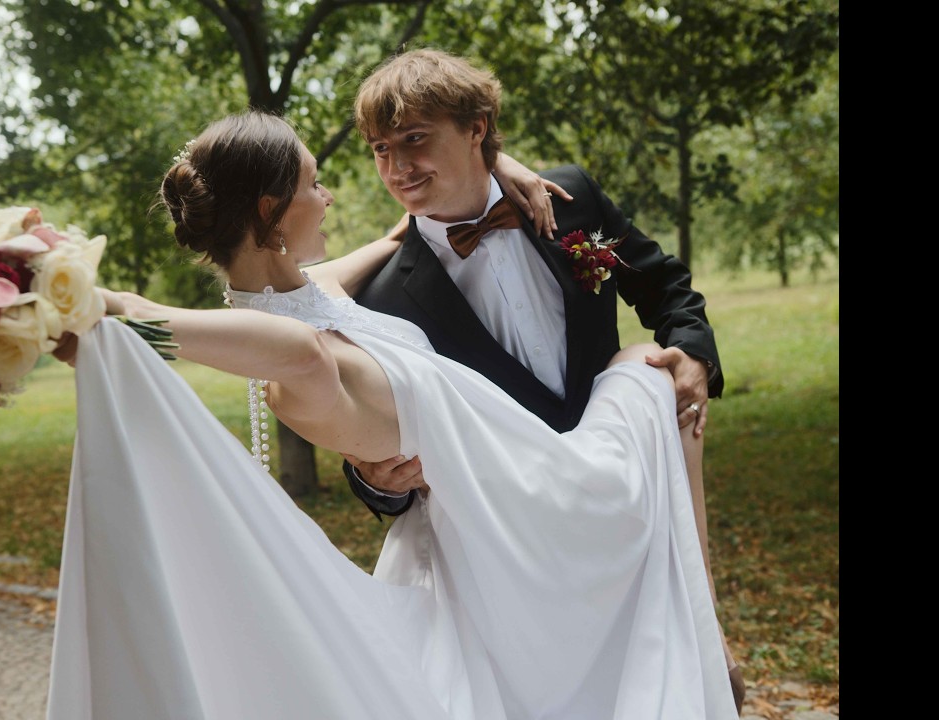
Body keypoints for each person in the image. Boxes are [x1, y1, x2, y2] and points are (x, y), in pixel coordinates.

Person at [45, 111, 738, 719]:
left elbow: (401, 230)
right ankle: (703, 629)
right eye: (315, 184)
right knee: (648, 371)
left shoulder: (318, 291)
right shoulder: (297, 367)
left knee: (657, 371)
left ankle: (704, 629)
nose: (329, 196)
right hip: (520, 515)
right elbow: (285, 345)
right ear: (271, 210)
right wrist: (110, 313)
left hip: (521, 488)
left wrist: (499, 162)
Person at [340, 49, 742, 708]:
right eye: (381, 150)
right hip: (514, 549)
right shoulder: (383, 297)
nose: (396, 167)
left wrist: (693, 354)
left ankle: (703, 640)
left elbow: (664, 286)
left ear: (476, 128)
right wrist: (376, 480)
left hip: (624, 495)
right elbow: (376, 436)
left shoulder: (569, 200)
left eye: (414, 139)